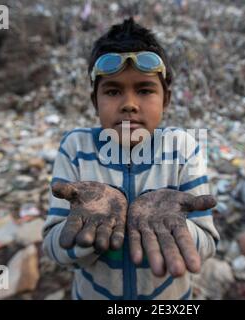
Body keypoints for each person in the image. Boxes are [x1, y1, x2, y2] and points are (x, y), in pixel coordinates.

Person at [42, 17, 220, 300]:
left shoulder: (182, 148)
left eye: (145, 89)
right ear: (94, 101)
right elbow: (54, 248)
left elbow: (207, 243)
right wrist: (86, 230)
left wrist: (178, 225)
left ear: (166, 99)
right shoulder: (76, 148)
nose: (129, 103)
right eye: (113, 91)